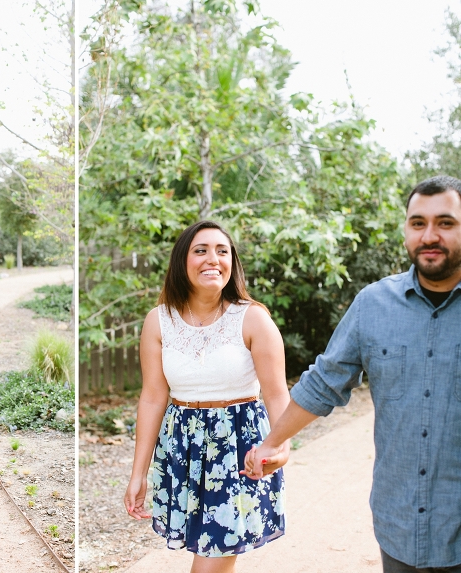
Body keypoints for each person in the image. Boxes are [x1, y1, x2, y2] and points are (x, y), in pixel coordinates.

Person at [244, 175, 461, 572]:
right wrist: (271, 443)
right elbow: (324, 384)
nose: (430, 235)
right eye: (418, 223)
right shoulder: (373, 305)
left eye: (446, 223)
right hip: (400, 526)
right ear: (406, 230)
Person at [124, 220, 290, 573]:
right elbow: (153, 397)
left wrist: (280, 445)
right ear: (182, 262)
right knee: (211, 557)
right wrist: (138, 473)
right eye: (201, 250)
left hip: (237, 452)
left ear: (233, 263)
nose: (212, 259)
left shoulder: (253, 319)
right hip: (182, 450)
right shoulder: (158, 321)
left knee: (209, 565)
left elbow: (277, 394)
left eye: (222, 251)